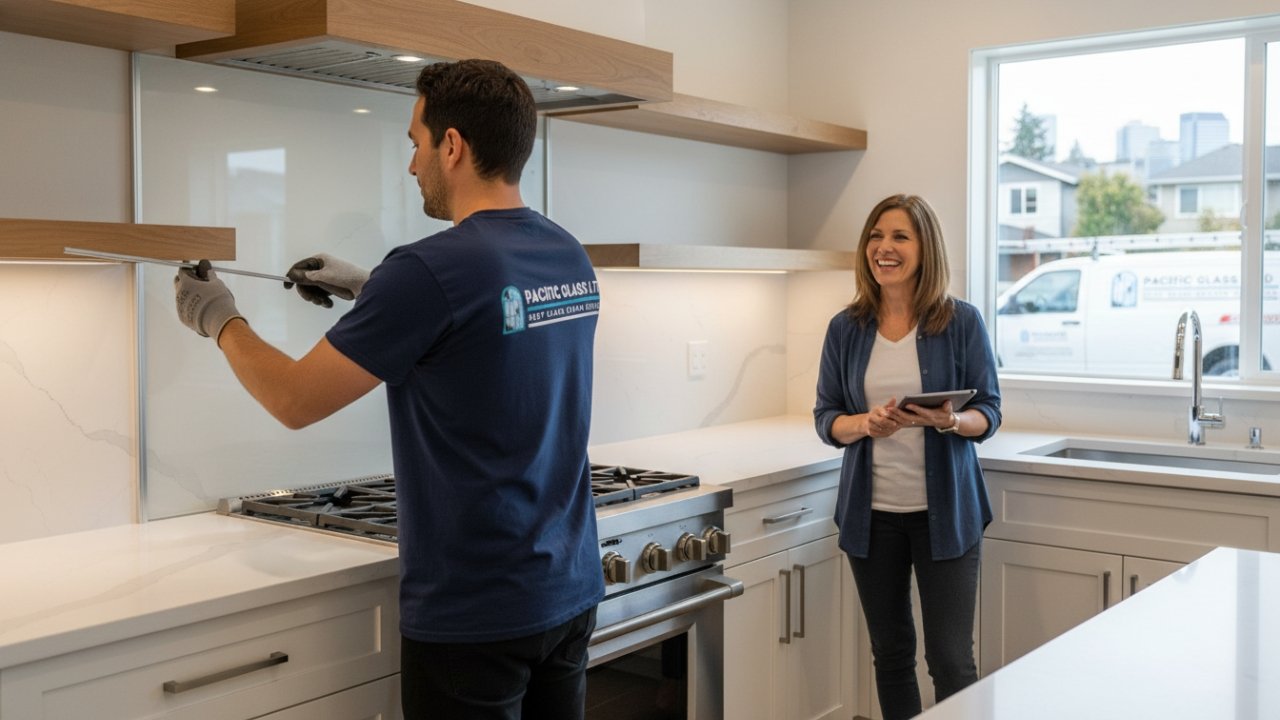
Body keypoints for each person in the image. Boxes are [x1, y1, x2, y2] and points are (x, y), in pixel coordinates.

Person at [173, 59, 604, 720]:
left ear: (452, 146)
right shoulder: (567, 254)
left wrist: (218, 317)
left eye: (416, 142)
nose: (411, 164)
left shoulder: (429, 270)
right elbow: (482, 324)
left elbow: (293, 399)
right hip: (568, 589)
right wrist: (369, 287)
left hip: (477, 610)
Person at [812, 194, 1001, 719]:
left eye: (899, 237)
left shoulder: (961, 322)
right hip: (871, 520)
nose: (884, 248)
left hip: (947, 518)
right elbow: (827, 417)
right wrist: (865, 423)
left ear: (925, 249)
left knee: (950, 660)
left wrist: (949, 420)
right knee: (891, 656)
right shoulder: (845, 328)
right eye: (876, 235)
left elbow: (989, 410)